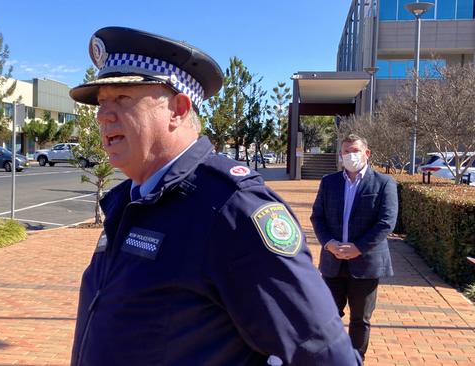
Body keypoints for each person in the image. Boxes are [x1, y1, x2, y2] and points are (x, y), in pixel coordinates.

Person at [69, 26, 362, 366]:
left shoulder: (231, 209)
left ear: (178, 109)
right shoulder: (127, 200)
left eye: (123, 98)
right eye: (102, 102)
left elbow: (325, 354)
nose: (104, 115)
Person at [310, 134, 398, 360]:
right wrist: (329, 244)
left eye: (355, 150)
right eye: (346, 151)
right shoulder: (329, 182)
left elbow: (386, 222)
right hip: (333, 262)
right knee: (326, 316)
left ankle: (355, 360)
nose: (351, 155)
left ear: (367, 153)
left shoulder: (383, 183)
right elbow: (317, 217)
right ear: (340, 155)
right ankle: (329, 359)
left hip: (366, 264)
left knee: (360, 320)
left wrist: (358, 248)